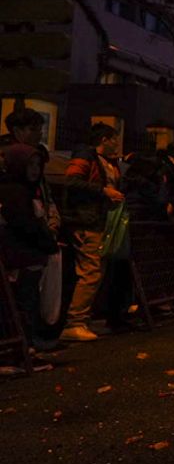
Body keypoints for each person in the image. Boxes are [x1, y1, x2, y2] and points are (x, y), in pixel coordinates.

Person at [60, 123, 123, 342]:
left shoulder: (108, 162)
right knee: (90, 271)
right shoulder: (86, 157)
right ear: (104, 139)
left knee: (97, 270)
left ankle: (85, 318)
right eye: (114, 138)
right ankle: (75, 321)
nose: (117, 143)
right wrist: (103, 191)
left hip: (99, 220)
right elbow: (71, 181)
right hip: (86, 221)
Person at [0, 144, 61, 371]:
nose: (35, 170)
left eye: (38, 165)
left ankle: (24, 350)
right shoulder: (15, 191)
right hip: (20, 257)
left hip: (27, 257)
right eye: (30, 165)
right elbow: (25, 224)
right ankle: (16, 354)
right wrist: (47, 243)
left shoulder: (24, 189)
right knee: (23, 305)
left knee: (26, 303)